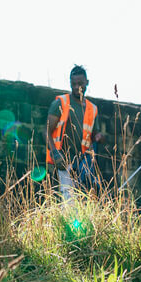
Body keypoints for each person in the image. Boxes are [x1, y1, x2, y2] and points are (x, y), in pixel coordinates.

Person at [45, 65, 101, 200]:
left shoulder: (93, 109)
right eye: (74, 84)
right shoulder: (61, 103)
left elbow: (94, 135)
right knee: (68, 202)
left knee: (83, 202)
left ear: (87, 82)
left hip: (83, 165)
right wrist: (54, 153)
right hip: (64, 162)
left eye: (80, 84)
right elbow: (46, 131)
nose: (77, 87)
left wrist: (99, 137)